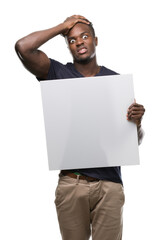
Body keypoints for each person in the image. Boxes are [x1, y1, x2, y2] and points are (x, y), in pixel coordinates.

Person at [15, 15, 145, 240]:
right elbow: (23, 47)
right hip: (72, 183)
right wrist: (62, 27)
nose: (79, 42)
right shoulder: (57, 74)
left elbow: (133, 140)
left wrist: (138, 123)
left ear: (96, 40)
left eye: (84, 36)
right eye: (72, 40)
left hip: (109, 185)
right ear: (68, 46)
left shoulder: (115, 81)